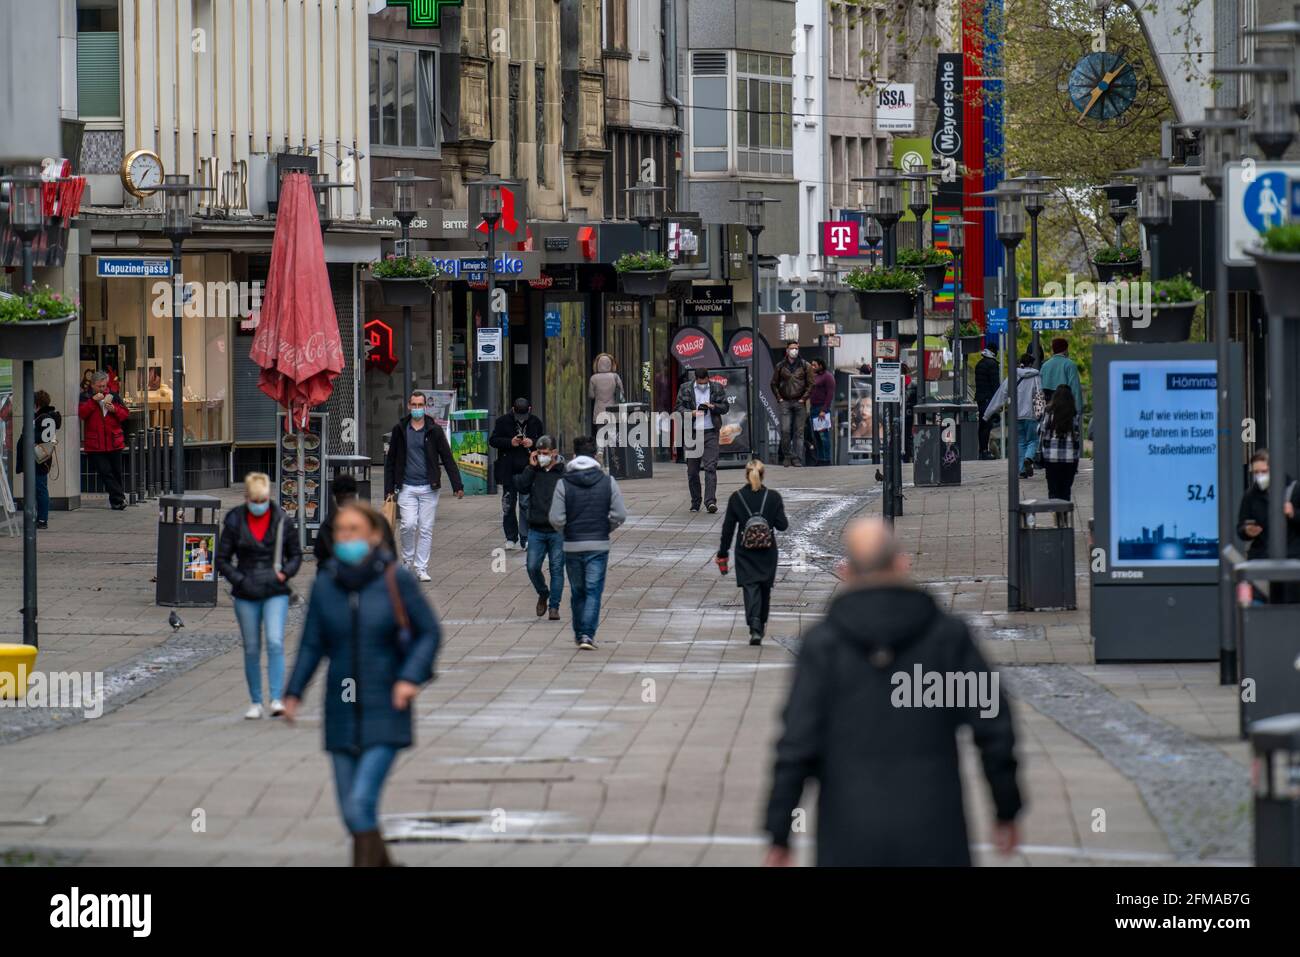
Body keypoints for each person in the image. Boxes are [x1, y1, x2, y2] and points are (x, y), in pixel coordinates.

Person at [763, 517, 1022, 866]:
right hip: (934, 829)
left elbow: (797, 742)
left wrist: (779, 831)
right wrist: (1006, 808)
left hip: (849, 834)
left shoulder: (824, 645)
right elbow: (994, 727)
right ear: (902, 563)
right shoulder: (947, 638)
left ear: (845, 571)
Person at [284, 501, 441, 867]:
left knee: (360, 804)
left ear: (373, 535)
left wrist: (409, 678)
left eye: (355, 530)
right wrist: (292, 693)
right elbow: (311, 643)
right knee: (352, 815)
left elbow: (428, 633)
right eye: (341, 531)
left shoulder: (394, 579)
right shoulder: (325, 584)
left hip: (386, 705)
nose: (347, 537)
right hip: (340, 708)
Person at [215, 472, 304, 720]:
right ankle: (256, 701)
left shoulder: (281, 520)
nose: (258, 504)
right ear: (247, 498)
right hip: (245, 591)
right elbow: (222, 558)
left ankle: (276, 698)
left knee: (275, 641)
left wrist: (284, 574)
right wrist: (240, 579)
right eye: (254, 499)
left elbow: (295, 555)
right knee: (252, 647)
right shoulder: (235, 520)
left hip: (275, 589)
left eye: (262, 499)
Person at [549, 435, 627, 650]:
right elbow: (619, 514)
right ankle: (587, 635)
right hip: (598, 545)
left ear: (574, 456)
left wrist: (568, 531)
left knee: (578, 591)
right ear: (596, 456)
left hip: (572, 546)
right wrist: (605, 528)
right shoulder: (607, 482)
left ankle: (578, 632)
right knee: (593, 591)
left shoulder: (563, 483)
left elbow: (556, 518)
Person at [383, 391, 464, 582]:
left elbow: (447, 457)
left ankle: (421, 568)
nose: (417, 409)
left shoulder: (433, 430)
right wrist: (388, 488)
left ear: (425, 406)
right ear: (409, 406)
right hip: (406, 487)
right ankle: (406, 562)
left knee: (426, 528)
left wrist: (457, 485)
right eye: (414, 405)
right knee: (408, 525)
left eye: (421, 405)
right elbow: (391, 460)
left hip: (429, 487)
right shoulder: (400, 429)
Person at [717, 459, 789, 645]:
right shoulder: (773, 497)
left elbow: (728, 529)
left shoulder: (737, 497)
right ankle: (761, 622)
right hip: (767, 551)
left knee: (750, 587)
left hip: (745, 550)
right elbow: (783, 525)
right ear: (763, 475)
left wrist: (722, 553)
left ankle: (754, 625)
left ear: (746, 476)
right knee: (765, 588)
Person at [515, 435, 566, 621]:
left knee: (557, 569)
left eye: (545, 453)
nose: (542, 456)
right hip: (536, 528)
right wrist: (530, 466)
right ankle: (543, 592)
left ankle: (554, 607)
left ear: (554, 453)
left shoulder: (563, 473)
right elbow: (520, 486)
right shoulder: (534, 471)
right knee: (532, 566)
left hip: (557, 530)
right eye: (539, 453)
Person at [490, 397, 545, 550]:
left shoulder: (535, 422)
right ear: (513, 410)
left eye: (524, 415)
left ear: (530, 410)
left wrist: (532, 442)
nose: (521, 419)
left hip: (527, 469)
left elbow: (543, 441)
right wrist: (510, 442)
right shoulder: (503, 421)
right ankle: (511, 537)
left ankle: (525, 537)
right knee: (508, 505)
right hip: (508, 469)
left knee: (525, 504)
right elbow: (493, 440)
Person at [674, 366, 729, 512]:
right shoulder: (685, 388)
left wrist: (713, 406)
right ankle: (695, 502)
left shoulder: (717, 387)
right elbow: (678, 408)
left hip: (711, 432)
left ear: (708, 378)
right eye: (700, 383)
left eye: (705, 383)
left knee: (710, 467)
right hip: (692, 433)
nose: (703, 385)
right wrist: (691, 413)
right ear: (696, 379)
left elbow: (725, 407)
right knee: (692, 471)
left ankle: (710, 502)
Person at [984, 353, 1042, 479]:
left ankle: (1021, 470)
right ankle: (1028, 458)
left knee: (1020, 442)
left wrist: (987, 414)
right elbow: (1039, 395)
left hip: (1016, 416)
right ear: (1031, 364)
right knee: (1033, 440)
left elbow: (1000, 395)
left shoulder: (1012, 376)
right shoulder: (1036, 377)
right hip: (1031, 415)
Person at [78, 370, 129, 510]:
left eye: (104, 386)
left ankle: (116, 502)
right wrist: (93, 402)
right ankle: (120, 498)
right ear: (93, 385)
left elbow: (125, 414)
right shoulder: (86, 397)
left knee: (116, 472)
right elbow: (82, 414)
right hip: (96, 444)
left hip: (114, 441)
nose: (103, 389)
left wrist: (115, 410)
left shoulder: (114, 396)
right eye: (100, 386)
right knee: (105, 472)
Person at [16, 389, 62, 529]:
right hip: (40, 458)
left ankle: (41, 519)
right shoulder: (47, 417)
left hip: (36, 458)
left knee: (39, 488)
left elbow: (38, 437)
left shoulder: (42, 418)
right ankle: (38, 517)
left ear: (36, 404)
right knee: (38, 488)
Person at [770, 339, 812, 467]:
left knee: (799, 432)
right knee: (785, 430)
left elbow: (811, 384)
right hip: (785, 402)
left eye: (796, 348)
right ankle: (787, 456)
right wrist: (779, 398)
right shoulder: (780, 366)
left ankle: (797, 458)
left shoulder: (805, 365)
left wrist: (803, 399)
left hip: (800, 402)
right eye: (792, 348)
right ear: (787, 350)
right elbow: (773, 384)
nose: (794, 350)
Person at [1037, 385, 1081, 500]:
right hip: (1069, 459)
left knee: (1053, 491)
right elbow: (1076, 437)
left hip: (1051, 458)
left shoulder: (1048, 412)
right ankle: (1065, 516)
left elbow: (1041, 432)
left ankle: (1056, 515)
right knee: (1066, 491)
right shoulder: (1073, 414)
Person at [1039, 337, 1083, 413]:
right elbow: (1075, 388)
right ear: (1065, 349)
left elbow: (1040, 387)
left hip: (1048, 407)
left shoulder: (1045, 366)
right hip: (1065, 406)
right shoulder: (1070, 364)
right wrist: (1078, 409)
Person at [974, 342, 1000, 460]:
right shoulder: (992, 364)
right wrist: (998, 404)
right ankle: (985, 452)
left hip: (980, 398)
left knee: (982, 425)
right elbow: (995, 385)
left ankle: (982, 450)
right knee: (987, 426)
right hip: (989, 399)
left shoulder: (980, 363)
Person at [807, 358, 836, 466]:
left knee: (823, 436)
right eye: (811, 365)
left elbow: (830, 394)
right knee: (816, 436)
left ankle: (826, 459)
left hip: (821, 409)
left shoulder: (828, 376)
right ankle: (820, 458)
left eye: (814, 365)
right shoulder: (814, 376)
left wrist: (824, 410)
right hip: (813, 408)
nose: (812, 367)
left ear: (820, 365)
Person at [589, 353, 624, 433]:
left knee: (600, 434)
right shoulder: (615, 377)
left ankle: (601, 445)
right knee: (612, 434)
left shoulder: (593, 378)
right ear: (611, 364)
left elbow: (591, 395)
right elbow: (621, 392)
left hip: (599, 411)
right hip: (612, 410)